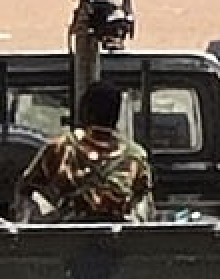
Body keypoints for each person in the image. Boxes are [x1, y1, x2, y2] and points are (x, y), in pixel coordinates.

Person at [16, 81, 156, 222]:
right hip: (117, 233)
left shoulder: (61, 147)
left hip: (68, 231)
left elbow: (27, 190)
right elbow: (144, 207)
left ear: (85, 111)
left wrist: (45, 219)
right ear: (117, 114)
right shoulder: (135, 156)